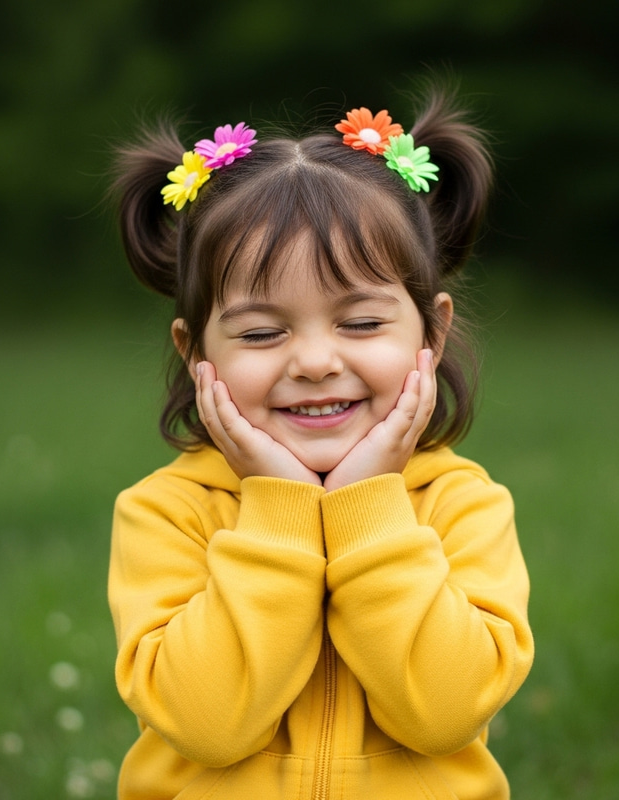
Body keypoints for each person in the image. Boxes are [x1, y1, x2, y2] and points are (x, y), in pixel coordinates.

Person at [108, 88, 534, 800]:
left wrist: (370, 505)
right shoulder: (168, 513)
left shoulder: (463, 506)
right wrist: (280, 511)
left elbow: (446, 715)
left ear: (430, 331)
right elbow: (207, 725)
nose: (312, 362)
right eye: (260, 333)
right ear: (194, 352)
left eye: (361, 324)